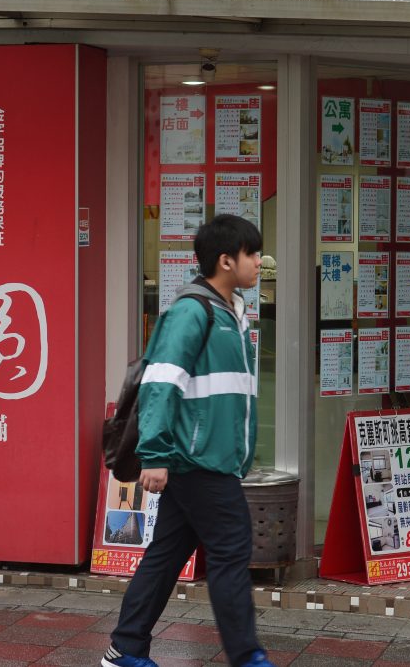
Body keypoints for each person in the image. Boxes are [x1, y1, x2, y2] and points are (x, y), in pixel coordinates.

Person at [103, 214, 274, 667]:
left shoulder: (230, 313)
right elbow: (160, 384)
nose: (259, 262)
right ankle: (247, 656)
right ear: (225, 260)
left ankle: (125, 648)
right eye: (252, 254)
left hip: (210, 458)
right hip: (196, 460)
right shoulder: (191, 311)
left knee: (167, 554)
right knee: (232, 546)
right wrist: (154, 456)